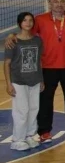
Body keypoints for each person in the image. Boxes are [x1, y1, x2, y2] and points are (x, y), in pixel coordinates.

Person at [4, 0, 65, 141]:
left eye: (62, 1)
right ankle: (44, 131)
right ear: (49, 3)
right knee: (45, 100)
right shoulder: (40, 19)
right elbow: (26, 31)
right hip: (47, 66)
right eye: (55, 1)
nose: (59, 4)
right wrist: (12, 35)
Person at [4, 12, 43, 151]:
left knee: (33, 109)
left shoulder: (37, 40)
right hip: (18, 81)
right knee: (22, 111)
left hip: (35, 80)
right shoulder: (13, 41)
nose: (28, 23)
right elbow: (7, 63)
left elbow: (38, 61)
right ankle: (17, 140)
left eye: (30, 20)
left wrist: (41, 79)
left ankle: (29, 136)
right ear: (19, 23)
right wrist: (8, 84)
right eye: (25, 20)